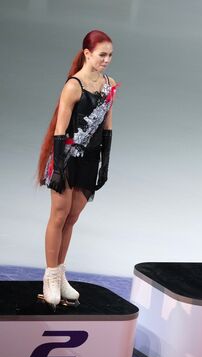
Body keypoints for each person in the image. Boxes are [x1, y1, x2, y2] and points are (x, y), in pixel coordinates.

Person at [36, 30, 119, 310]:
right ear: (87, 54)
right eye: (101, 55)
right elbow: (60, 130)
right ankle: (49, 276)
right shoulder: (74, 86)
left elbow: (107, 127)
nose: (106, 60)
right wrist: (58, 169)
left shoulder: (109, 86)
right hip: (67, 158)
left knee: (72, 217)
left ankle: (60, 274)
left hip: (90, 160)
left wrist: (104, 165)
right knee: (59, 216)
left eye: (110, 55)